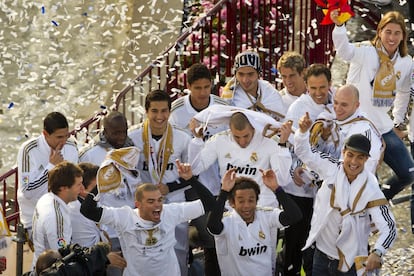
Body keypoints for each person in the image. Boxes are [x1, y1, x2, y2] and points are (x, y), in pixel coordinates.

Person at [331, 10, 414, 232]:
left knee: (409, 173)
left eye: (397, 33)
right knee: (368, 178)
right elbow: (344, 51)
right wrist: (339, 27)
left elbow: (405, 93)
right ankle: (364, 220)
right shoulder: (366, 51)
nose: (392, 37)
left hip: (383, 125)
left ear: (403, 36)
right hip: (359, 126)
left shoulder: (406, 62)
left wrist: (397, 123)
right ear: (380, 32)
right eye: (388, 32)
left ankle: (378, 204)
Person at [295, 112, 397, 275]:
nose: (354, 162)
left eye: (360, 157)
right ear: (343, 153)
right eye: (350, 155)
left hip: (350, 263)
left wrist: (378, 251)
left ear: (366, 159)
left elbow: (389, 226)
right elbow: (305, 152)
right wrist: (302, 132)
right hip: (321, 255)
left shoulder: (370, 188)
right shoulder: (331, 167)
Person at [80, 160, 216, 276]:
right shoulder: (124, 217)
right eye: (151, 202)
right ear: (137, 204)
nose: (157, 205)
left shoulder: (170, 212)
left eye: (159, 200)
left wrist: (191, 179)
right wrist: (100, 186)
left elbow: (209, 203)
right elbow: (87, 210)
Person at [169, 63, 227, 275]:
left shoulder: (222, 106)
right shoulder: (176, 111)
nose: (203, 93)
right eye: (198, 88)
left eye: (206, 87)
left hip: (215, 185)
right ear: (189, 87)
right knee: (181, 242)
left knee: (213, 237)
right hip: (186, 185)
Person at [128, 90, 192, 275]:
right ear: (147, 112)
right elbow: (129, 173)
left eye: (164, 111)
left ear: (169, 112)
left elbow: (190, 174)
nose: (159, 116)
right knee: (145, 249)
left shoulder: (182, 137)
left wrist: (169, 187)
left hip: (174, 199)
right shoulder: (133, 137)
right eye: (154, 111)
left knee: (179, 248)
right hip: (145, 204)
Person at [282, 62, 333, 276]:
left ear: (330, 84)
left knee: (320, 242)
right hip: (299, 188)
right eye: (313, 88)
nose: (318, 93)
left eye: (322, 87)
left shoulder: (336, 102)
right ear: (307, 85)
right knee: (296, 241)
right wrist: (294, 168)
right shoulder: (298, 108)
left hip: (326, 187)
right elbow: (288, 142)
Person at [206, 167, 302, 276]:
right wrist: (224, 192)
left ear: (256, 201)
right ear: (232, 203)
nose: (246, 206)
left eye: (251, 200)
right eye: (241, 201)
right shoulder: (226, 222)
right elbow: (212, 226)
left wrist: (276, 188)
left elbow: (294, 216)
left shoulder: (265, 215)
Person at [190, 109, 292, 208]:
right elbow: (195, 169)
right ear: (230, 129)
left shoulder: (270, 141)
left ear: (253, 128)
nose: (242, 142)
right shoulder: (219, 140)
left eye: (246, 136)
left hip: (263, 208)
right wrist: (197, 141)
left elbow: (283, 180)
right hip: (231, 209)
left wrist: (283, 145)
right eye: (237, 137)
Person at [17, 112, 78, 241]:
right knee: (56, 256)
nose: (63, 141)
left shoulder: (71, 147)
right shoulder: (28, 150)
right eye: (59, 137)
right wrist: (51, 167)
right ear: (45, 134)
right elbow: (27, 191)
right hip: (36, 219)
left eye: (66, 136)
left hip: (68, 215)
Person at [310, 84, 384, 173]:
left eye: (344, 105)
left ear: (356, 105)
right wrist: (322, 139)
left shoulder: (362, 132)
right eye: (336, 102)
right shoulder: (331, 119)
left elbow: (355, 172)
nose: (337, 109)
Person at [31, 161, 84, 268]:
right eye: (78, 184)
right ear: (63, 188)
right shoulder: (56, 217)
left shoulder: (46, 198)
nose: (82, 188)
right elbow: (63, 258)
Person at [221, 49, 286, 121]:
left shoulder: (269, 91)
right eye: (241, 74)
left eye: (250, 74)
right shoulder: (231, 97)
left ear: (258, 73)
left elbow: (282, 121)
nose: (245, 80)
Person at [68, 162, 109, 247]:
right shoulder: (74, 209)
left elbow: (104, 235)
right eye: (95, 189)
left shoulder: (94, 202)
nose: (99, 192)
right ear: (82, 188)